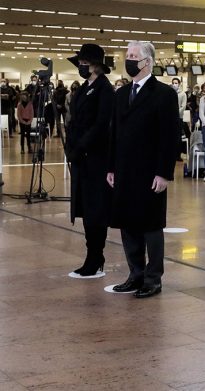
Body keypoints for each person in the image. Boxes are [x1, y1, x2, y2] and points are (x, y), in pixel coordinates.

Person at [107, 41, 178, 298]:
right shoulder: (121, 94)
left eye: (134, 56)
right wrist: (111, 167)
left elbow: (169, 137)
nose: (129, 59)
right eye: (127, 55)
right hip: (125, 170)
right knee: (128, 224)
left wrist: (164, 172)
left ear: (147, 62)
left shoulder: (164, 94)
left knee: (150, 225)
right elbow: (114, 133)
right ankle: (135, 274)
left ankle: (153, 278)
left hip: (150, 171)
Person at [65, 44, 115, 277]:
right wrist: (71, 145)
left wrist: (82, 145)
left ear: (95, 65)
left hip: (96, 157)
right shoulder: (85, 87)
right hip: (81, 156)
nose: (82, 67)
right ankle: (91, 254)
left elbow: (101, 124)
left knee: (96, 208)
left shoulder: (105, 89)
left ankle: (96, 256)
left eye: (85, 63)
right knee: (85, 206)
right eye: (81, 63)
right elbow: (75, 118)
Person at [171, 77, 187, 161]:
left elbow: (183, 106)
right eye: (173, 82)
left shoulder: (183, 94)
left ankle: (178, 155)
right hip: (170, 119)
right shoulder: (169, 93)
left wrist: (175, 113)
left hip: (178, 118)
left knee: (178, 138)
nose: (174, 84)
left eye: (176, 83)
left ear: (179, 84)